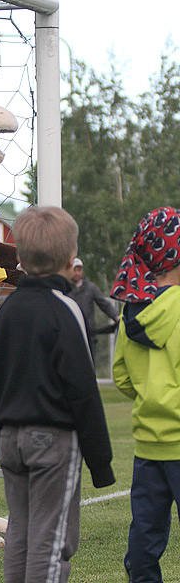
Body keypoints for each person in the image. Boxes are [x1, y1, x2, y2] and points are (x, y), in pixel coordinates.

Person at [0, 205, 115, 583]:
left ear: (20, 257)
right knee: (51, 540)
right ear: (70, 257)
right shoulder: (66, 309)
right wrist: (101, 461)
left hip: (10, 439)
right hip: (52, 440)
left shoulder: (4, 312)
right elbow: (82, 389)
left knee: (21, 535)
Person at [111, 206, 180, 583]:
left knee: (145, 535)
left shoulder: (133, 311)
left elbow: (121, 374)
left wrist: (150, 391)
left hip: (148, 445)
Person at [69, 257, 120, 360]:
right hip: (70, 337)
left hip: (89, 337)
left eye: (79, 270)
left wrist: (117, 317)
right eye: (74, 270)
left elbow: (104, 304)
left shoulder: (91, 288)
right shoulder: (64, 288)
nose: (77, 273)